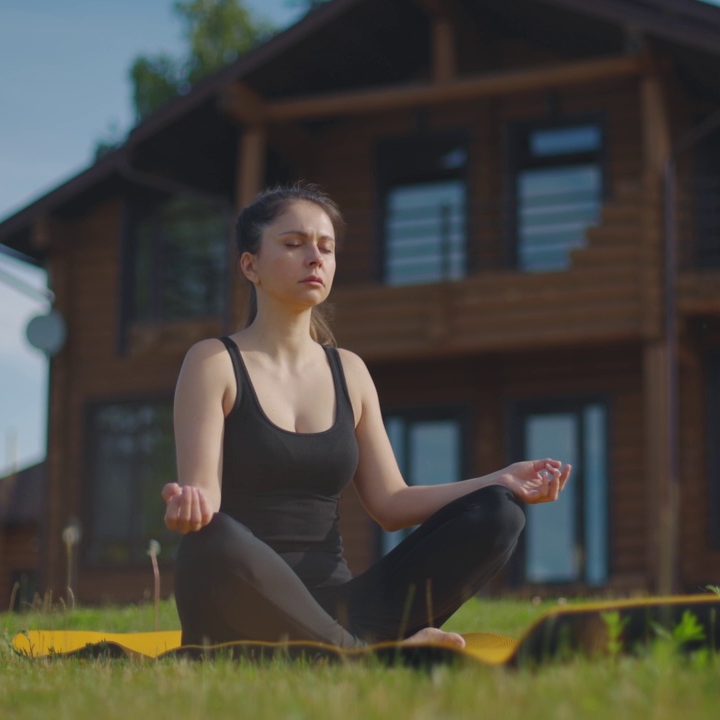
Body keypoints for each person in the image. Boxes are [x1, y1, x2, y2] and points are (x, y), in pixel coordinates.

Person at [163, 183, 572, 650]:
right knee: (211, 538)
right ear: (250, 265)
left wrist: (501, 479)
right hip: (239, 600)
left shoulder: (349, 371)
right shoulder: (213, 362)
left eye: (326, 247)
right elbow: (205, 500)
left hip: (341, 605)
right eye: (294, 244)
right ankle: (369, 655)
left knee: (500, 513)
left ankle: (345, 647)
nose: (314, 257)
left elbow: (392, 503)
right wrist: (189, 508)